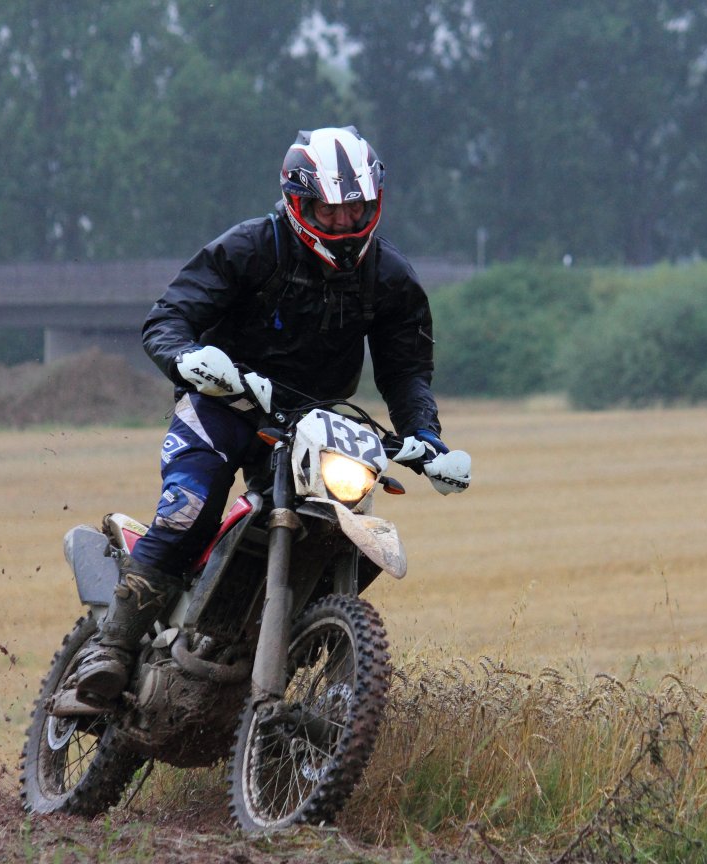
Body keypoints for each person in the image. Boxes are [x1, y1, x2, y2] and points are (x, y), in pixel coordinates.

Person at [70, 125, 467, 706]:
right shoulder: (251, 247)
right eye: (329, 212)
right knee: (189, 512)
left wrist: (425, 438)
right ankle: (111, 648)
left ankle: (292, 671)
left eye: (354, 209)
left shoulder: (390, 278)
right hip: (223, 404)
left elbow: (406, 373)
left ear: (375, 203)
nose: (343, 223)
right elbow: (168, 318)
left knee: (334, 530)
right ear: (298, 203)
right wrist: (188, 358)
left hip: (315, 424)